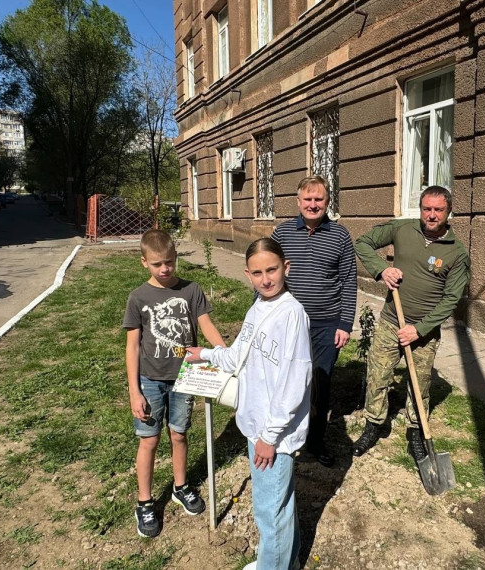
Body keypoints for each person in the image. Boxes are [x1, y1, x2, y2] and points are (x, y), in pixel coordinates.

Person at [186, 238, 312, 570]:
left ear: (286, 268)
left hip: (274, 434)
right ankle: (288, 558)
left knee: (269, 511)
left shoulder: (292, 314)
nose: (265, 278)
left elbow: (294, 383)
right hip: (257, 424)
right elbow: (239, 354)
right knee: (277, 504)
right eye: (257, 273)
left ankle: (275, 565)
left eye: (272, 270)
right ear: (247, 274)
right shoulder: (258, 306)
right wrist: (206, 354)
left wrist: (270, 437)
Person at [352, 186, 470, 461]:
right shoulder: (402, 229)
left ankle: (416, 432)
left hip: (423, 332)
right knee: (378, 374)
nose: (431, 215)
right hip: (391, 321)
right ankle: (374, 425)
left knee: (419, 383)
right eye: (426, 209)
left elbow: (451, 299)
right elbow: (363, 243)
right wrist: (382, 269)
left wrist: (419, 329)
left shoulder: (457, 254)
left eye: (438, 210)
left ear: (449, 211)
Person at [123, 229, 226, 538]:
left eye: (169, 262)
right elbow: (131, 347)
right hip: (149, 381)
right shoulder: (138, 298)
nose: (165, 269)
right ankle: (144, 501)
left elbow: (205, 325)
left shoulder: (192, 291)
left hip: (185, 378)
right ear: (144, 263)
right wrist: (134, 392)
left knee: (179, 435)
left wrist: (224, 355)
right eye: (157, 264)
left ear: (176, 258)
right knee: (149, 440)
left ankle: (181, 487)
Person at [270, 175, 356, 467]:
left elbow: (349, 280)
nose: (313, 204)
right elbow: (269, 275)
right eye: (307, 199)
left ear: (327, 202)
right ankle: (284, 436)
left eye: (318, 199)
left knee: (320, 384)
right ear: (298, 202)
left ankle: (315, 442)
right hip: (289, 324)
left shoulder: (340, 236)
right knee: (286, 381)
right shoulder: (281, 234)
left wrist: (345, 324)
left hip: (326, 325)